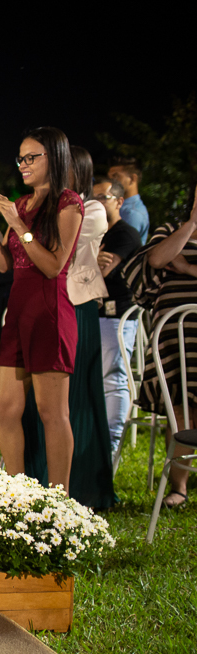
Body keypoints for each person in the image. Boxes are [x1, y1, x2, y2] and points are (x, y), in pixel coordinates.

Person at [0, 127, 84, 492]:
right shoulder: (20, 204)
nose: (22, 165)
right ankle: (17, 495)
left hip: (49, 311)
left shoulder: (68, 202)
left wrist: (17, 223)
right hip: (17, 311)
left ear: (53, 158)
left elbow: (53, 265)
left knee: (51, 412)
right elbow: (5, 265)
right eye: (20, 158)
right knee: (5, 409)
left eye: (30, 157)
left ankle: (59, 498)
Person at [21, 146, 115, 509]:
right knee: (42, 404)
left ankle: (83, 488)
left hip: (76, 306)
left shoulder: (88, 208)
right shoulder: (42, 207)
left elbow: (61, 256)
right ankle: (38, 476)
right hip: (45, 305)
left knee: (78, 401)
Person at [133, 185, 197, 508]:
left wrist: (186, 269)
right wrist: (192, 223)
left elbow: (174, 263)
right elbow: (158, 258)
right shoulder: (172, 229)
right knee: (182, 407)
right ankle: (180, 487)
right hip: (176, 341)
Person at [93, 175, 144, 450]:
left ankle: (111, 446)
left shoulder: (123, 233)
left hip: (116, 316)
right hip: (97, 315)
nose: (97, 203)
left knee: (113, 379)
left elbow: (98, 273)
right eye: (93, 198)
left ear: (119, 202)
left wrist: (87, 263)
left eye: (103, 197)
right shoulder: (96, 234)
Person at [108, 157, 150, 245]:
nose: (110, 181)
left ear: (133, 178)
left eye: (116, 176)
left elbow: (119, 246)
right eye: (109, 177)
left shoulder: (132, 213)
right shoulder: (122, 207)